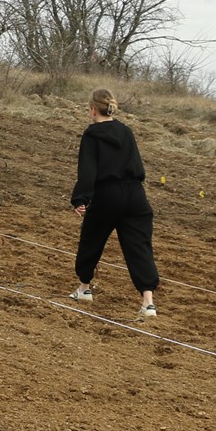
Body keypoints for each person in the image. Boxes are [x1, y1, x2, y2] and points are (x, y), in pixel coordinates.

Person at [69, 88, 160, 320]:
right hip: (135, 195)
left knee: (92, 239)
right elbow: (137, 164)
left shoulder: (92, 135)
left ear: (92, 110)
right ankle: (148, 302)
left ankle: (84, 289)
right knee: (139, 247)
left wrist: (81, 198)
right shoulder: (126, 131)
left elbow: (88, 171)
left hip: (107, 195)